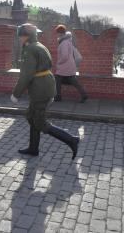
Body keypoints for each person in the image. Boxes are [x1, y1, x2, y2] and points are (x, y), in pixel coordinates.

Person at [10, 23, 80, 160]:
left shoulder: (30, 49)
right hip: (44, 86)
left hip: (40, 90)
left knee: (40, 122)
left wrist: (16, 94)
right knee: (31, 116)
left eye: (21, 35)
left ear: (27, 36)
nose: (19, 38)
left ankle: (71, 140)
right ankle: (33, 148)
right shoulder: (39, 46)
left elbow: (26, 75)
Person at [54, 25, 87, 103]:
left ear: (60, 33)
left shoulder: (64, 43)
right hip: (69, 66)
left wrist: (59, 62)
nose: (57, 34)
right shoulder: (68, 41)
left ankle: (58, 96)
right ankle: (84, 94)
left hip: (64, 66)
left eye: (57, 32)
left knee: (57, 80)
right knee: (74, 81)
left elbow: (64, 56)